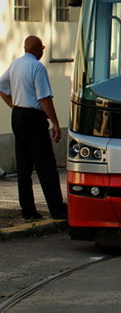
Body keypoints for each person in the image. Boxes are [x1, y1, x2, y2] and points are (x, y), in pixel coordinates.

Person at [0, 36, 67, 221]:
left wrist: (13, 105)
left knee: (24, 166)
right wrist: (55, 122)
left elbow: (1, 86)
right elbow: (44, 98)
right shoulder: (37, 67)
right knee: (46, 165)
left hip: (18, 115)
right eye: (42, 48)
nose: (43, 51)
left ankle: (28, 210)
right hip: (33, 117)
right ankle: (57, 209)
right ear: (37, 49)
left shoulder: (15, 64)